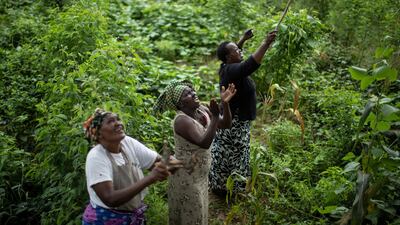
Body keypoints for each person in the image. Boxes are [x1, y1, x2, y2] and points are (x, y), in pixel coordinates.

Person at [153, 80, 236, 225]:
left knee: (199, 213)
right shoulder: (181, 121)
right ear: (180, 103)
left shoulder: (202, 110)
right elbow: (204, 142)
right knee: (190, 215)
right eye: (188, 94)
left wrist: (225, 104)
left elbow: (226, 124)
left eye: (192, 91)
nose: (193, 93)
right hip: (186, 177)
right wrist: (215, 116)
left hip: (200, 175)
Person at [82, 108, 182, 225]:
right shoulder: (96, 157)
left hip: (131, 218)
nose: (118, 123)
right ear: (98, 133)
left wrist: (177, 163)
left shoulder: (127, 143)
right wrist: (150, 178)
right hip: (105, 220)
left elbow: (158, 163)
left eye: (118, 119)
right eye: (110, 122)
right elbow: (110, 198)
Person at [209, 29, 277, 197]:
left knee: (229, 154)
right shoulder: (233, 70)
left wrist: (242, 40)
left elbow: (234, 52)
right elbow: (249, 65)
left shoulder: (226, 66)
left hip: (235, 120)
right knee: (235, 155)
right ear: (228, 57)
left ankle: (222, 185)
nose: (240, 51)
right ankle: (229, 189)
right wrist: (265, 43)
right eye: (236, 50)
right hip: (235, 123)